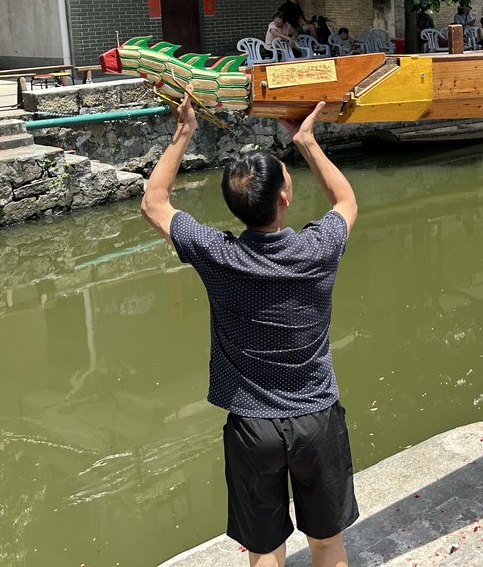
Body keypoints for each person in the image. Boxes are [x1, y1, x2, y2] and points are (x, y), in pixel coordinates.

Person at [141, 95, 359, 567]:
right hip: (315, 418)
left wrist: (183, 132)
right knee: (327, 544)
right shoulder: (317, 248)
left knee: (263, 550)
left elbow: (154, 202)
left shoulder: (217, 255)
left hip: (252, 427)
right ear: (285, 196)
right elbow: (346, 200)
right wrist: (306, 141)